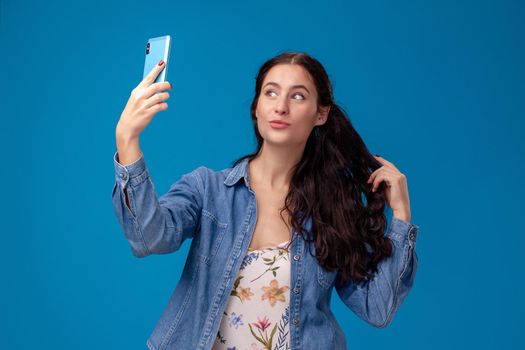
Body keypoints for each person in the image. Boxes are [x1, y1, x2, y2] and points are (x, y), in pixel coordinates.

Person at [112, 52, 420, 350]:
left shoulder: (333, 209)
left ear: (321, 114)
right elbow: (148, 239)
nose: (281, 107)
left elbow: (377, 309)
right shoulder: (208, 189)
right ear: (256, 107)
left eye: (298, 96)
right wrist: (127, 140)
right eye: (270, 93)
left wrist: (402, 218)